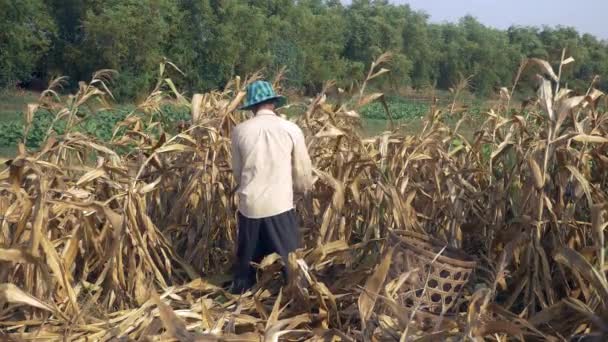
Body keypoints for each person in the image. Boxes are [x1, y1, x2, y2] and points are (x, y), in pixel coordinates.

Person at [229, 80, 313, 294]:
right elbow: (303, 172)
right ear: (273, 103)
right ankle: (297, 296)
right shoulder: (291, 129)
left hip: (250, 207)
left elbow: (238, 172)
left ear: (252, 107)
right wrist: (302, 192)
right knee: (291, 264)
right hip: (280, 205)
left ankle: (241, 296)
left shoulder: (240, 131)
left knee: (247, 265)